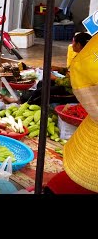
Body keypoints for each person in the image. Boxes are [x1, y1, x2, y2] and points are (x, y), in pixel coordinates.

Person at [44, 32, 98, 194]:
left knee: (43, 92)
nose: (72, 45)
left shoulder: (88, 61)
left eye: (75, 43)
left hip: (70, 92)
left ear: (81, 46)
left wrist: (55, 78)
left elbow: (68, 81)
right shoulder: (84, 61)